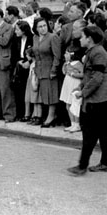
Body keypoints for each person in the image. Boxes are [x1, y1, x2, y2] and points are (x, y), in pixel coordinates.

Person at [68, 26, 107, 175]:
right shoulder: (95, 51)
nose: (80, 39)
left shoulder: (98, 52)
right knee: (103, 133)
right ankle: (104, 163)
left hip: (97, 101)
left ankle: (82, 166)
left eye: (83, 36)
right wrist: (80, 87)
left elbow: (97, 77)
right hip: (99, 99)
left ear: (89, 39)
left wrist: (82, 93)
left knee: (89, 134)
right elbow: (89, 75)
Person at [32, 17, 61, 128]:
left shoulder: (53, 37)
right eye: (40, 26)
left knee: (51, 94)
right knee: (44, 94)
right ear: (36, 28)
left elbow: (57, 56)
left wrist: (54, 70)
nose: (43, 28)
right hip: (39, 70)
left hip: (50, 69)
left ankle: (51, 116)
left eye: (44, 26)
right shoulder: (35, 38)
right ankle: (50, 115)